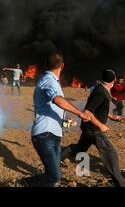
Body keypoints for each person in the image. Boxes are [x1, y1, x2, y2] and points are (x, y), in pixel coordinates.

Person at [30, 51, 90, 187]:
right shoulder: (49, 80)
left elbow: (53, 105)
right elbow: (57, 100)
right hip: (44, 134)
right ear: (62, 66)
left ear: (46, 65)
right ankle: (25, 183)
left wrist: (64, 117)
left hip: (53, 134)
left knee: (53, 174)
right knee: (54, 176)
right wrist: (79, 113)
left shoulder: (51, 81)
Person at [62, 69, 125, 187]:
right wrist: (101, 125)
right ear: (113, 81)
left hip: (89, 128)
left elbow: (98, 109)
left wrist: (113, 117)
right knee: (111, 154)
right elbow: (88, 112)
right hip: (93, 129)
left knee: (79, 149)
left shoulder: (102, 90)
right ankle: (121, 184)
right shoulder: (100, 92)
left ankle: (55, 158)